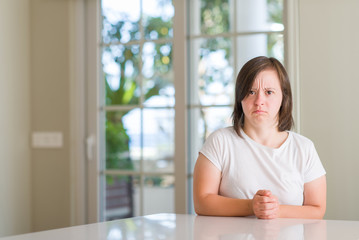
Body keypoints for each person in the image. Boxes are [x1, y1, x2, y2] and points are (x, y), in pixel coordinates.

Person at [193, 56, 326, 219]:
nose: (259, 101)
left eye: (269, 92)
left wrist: (275, 210)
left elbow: (317, 208)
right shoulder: (220, 141)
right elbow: (202, 202)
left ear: (283, 97)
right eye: (251, 92)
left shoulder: (304, 148)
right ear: (240, 97)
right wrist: (251, 206)